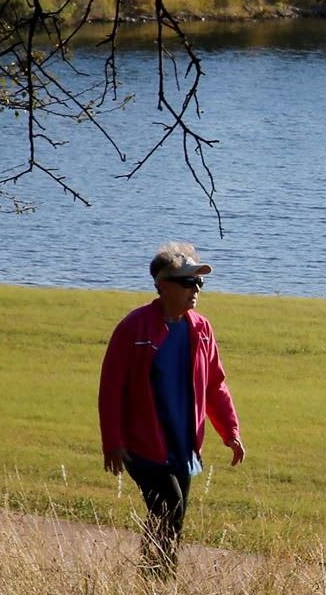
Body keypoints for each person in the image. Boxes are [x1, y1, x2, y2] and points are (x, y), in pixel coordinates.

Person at [98, 241, 244, 576]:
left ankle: (157, 581)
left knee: (173, 516)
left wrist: (230, 431)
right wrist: (113, 441)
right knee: (170, 506)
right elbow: (111, 388)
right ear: (162, 285)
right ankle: (156, 579)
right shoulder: (134, 328)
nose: (196, 289)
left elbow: (215, 385)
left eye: (199, 282)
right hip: (142, 444)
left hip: (182, 445)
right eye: (187, 281)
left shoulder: (201, 329)